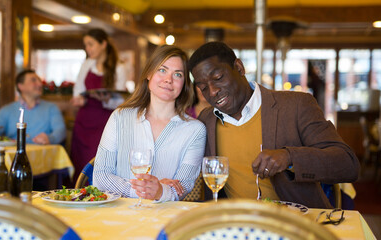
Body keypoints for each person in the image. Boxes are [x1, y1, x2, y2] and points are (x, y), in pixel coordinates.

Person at [188, 41, 360, 208]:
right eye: (203, 87)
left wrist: (289, 157)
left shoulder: (296, 106)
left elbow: (347, 164)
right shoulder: (207, 120)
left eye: (218, 78)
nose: (212, 92)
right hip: (238, 227)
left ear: (239, 68)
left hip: (296, 226)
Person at [92, 45, 206, 202]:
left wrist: (160, 191)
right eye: (162, 70)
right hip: (119, 216)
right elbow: (101, 176)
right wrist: (151, 190)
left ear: (185, 84)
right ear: (149, 74)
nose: (168, 79)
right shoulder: (119, 117)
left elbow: (183, 186)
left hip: (164, 218)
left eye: (178, 74)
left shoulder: (195, 130)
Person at [70, 28, 127, 184]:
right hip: (84, 121)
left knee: (101, 161)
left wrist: (106, 99)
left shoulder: (119, 67)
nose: (88, 49)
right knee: (80, 162)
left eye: (91, 44)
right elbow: (78, 90)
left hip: (106, 122)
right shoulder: (87, 64)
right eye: (86, 45)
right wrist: (79, 99)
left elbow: (121, 100)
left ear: (103, 44)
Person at [0, 69, 66, 145]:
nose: (40, 84)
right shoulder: (6, 110)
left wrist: (50, 138)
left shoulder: (51, 108)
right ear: (20, 86)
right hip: (14, 156)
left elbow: (61, 131)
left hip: (43, 156)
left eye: (39, 81)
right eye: (34, 80)